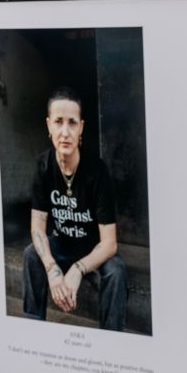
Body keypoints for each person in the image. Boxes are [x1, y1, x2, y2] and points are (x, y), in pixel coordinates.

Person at [23, 87, 128, 331]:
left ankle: (111, 343)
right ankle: (32, 331)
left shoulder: (97, 172)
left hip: (95, 250)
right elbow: (38, 228)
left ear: (81, 128)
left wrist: (77, 270)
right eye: (59, 122)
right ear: (49, 126)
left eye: (72, 123)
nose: (65, 132)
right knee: (31, 254)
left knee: (117, 272)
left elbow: (110, 244)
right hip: (63, 245)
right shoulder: (43, 167)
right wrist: (52, 268)